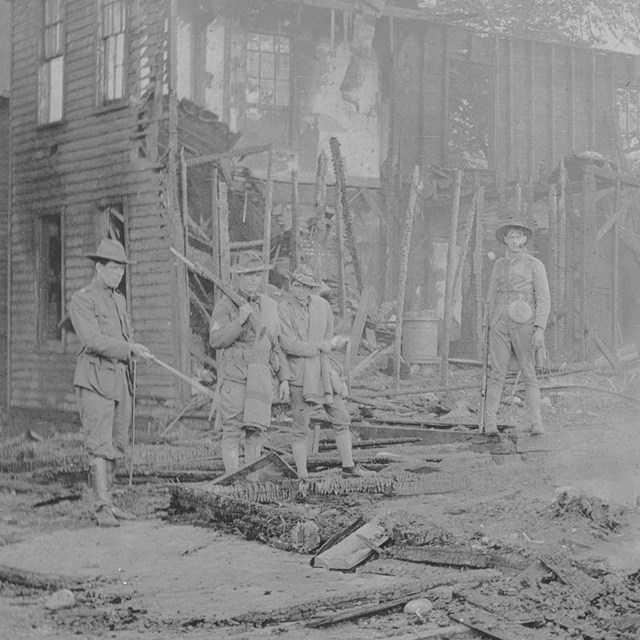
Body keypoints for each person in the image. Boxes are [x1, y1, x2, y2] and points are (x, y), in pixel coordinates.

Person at [69, 239, 151, 527]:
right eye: (113, 268)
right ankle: (101, 506)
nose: (118, 274)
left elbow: (124, 338)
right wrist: (129, 349)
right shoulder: (83, 298)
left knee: (117, 443)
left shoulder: (119, 299)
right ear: (98, 267)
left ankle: (111, 504)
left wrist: (134, 351)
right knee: (99, 443)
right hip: (95, 379)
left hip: (119, 380)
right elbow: (92, 340)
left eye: (122, 270)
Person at [278, 264, 374, 479]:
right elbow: (288, 344)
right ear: (291, 285)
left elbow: (329, 336)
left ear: (312, 288)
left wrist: (325, 347)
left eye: (306, 286)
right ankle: (302, 475)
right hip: (299, 373)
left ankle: (348, 467)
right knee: (301, 426)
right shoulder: (283, 308)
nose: (301, 290)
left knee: (341, 417)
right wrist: (318, 347)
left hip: (323, 369)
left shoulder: (322, 306)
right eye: (297, 285)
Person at [209, 251, 290, 474]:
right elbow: (216, 340)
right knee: (232, 432)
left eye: (257, 275)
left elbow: (276, 344)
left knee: (255, 433)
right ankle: (233, 480)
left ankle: (251, 483)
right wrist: (241, 320)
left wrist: (284, 377)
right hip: (235, 380)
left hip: (261, 379)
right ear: (238, 277)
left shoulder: (269, 306)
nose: (253, 280)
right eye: (248, 275)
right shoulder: (225, 306)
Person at [483, 221, 550, 436]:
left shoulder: (534, 265)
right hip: (500, 321)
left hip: (524, 320)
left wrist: (539, 328)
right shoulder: (499, 265)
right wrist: (487, 324)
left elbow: (543, 298)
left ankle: (536, 423)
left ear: (524, 240)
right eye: (511, 236)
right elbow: (491, 296)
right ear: (505, 239)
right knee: (496, 373)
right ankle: (490, 423)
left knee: (529, 373)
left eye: (518, 237)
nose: (514, 240)